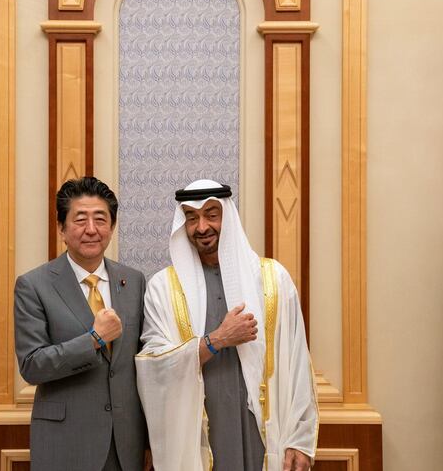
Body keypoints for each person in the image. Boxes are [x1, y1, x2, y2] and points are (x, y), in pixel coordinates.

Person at [136, 179, 318, 471]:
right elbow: (153, 367)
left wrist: (300, 439)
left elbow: (297, 362)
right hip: (200, 435)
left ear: (228, 217)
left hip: (265, 432)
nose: (202, 227)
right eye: (192, 218)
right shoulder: (163, 288)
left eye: (211, 214)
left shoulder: (273, 280)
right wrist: (216, 340)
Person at [14, 177, 150, 470]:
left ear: (111, 227)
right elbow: (32, 365)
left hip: (126, 444)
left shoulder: (134, 281)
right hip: (66, 442)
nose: (91, 229)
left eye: (100, 219)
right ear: (61, 228)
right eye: (80, 219)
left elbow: (144, 364)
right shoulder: (33, 285)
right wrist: (93, 340)